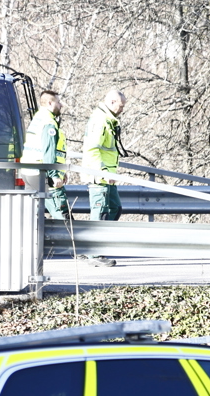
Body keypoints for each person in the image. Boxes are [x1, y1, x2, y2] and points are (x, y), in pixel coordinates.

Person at [81, 88, 127, 266]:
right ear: (112, 102)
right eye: (121, 106)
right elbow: (92, 149)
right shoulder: (100, 121)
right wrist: (102, 171)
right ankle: (95, 254)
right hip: (99, 176)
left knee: (115, 208)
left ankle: (95, 245)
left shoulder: (108, 119)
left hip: (108, 175)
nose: (122, 109)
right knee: (100, 213)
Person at [22, 89, 69, 220]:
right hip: (42, 173)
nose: (61, 105)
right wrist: (54, 175)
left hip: (29, 172)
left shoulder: (37, 118)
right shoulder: (49, 122)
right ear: (50, 103)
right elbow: (48, 151)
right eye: (58, 102)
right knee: (63, 217)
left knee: (34, 217)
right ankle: (69, 240)